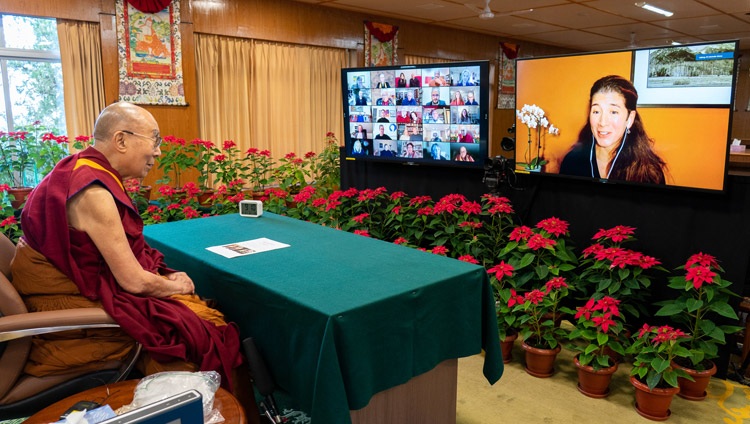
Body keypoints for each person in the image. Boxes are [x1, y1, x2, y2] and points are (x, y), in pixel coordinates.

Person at [11, 102, 258, 414]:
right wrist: (175, 286)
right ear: (121, 140)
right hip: (67, 309)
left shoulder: (79, 168)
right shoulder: (94, 193)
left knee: (191, 312)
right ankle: (219, 414)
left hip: (63, 286)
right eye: (154, 140)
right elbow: (132, 282)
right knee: (205, 332)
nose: (157, 152)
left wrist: (164, 278)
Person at [560, 75, 666, 183]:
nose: (602, 122)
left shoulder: (648, 172)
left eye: (613, 112)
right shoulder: (573, 161)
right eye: (596, 111)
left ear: (629, 119)